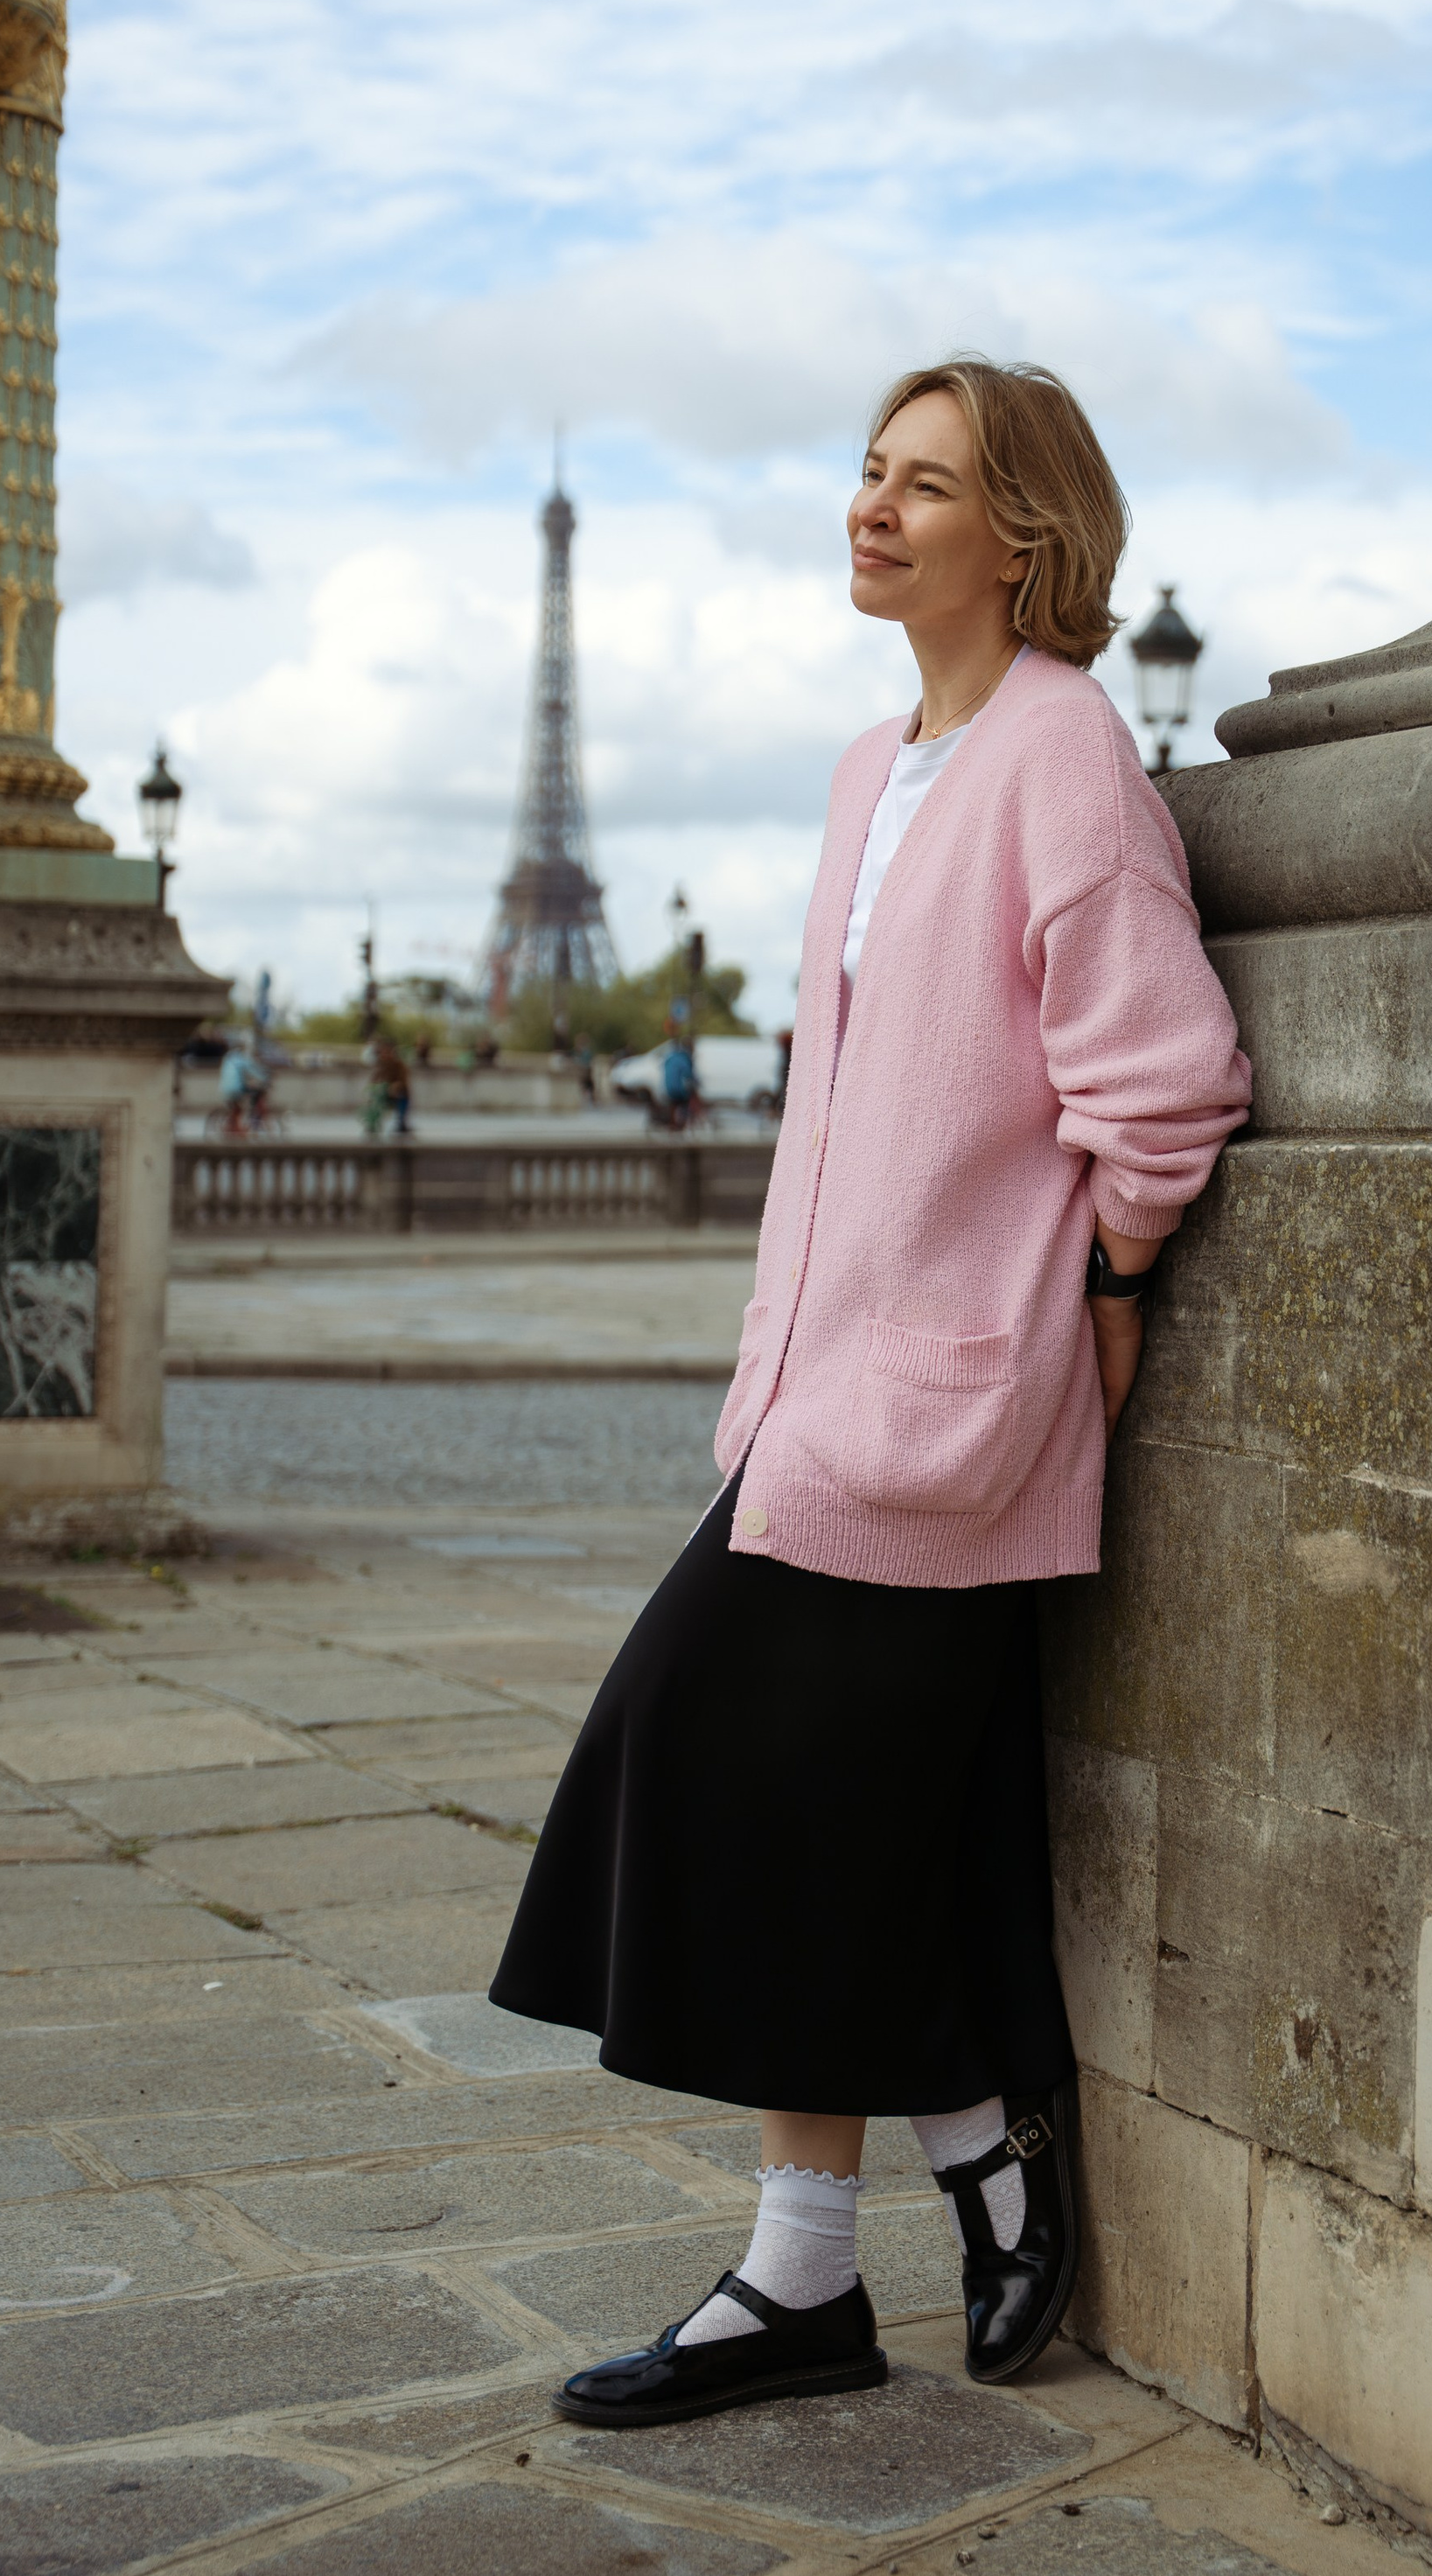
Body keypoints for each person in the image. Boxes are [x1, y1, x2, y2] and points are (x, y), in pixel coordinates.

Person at [490, 355, 1248, 2430]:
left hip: (940, 1408)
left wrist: (1101, 1287)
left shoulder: (1068, 758)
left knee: (704, 1756)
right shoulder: (869, 767)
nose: (870, 508)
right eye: (864, 472)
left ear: (1022, 534)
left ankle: (883, 2217)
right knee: (862, 1828)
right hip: (819, 1391)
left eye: (921, 486)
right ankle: (867, 2231)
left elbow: (1162, 1079)